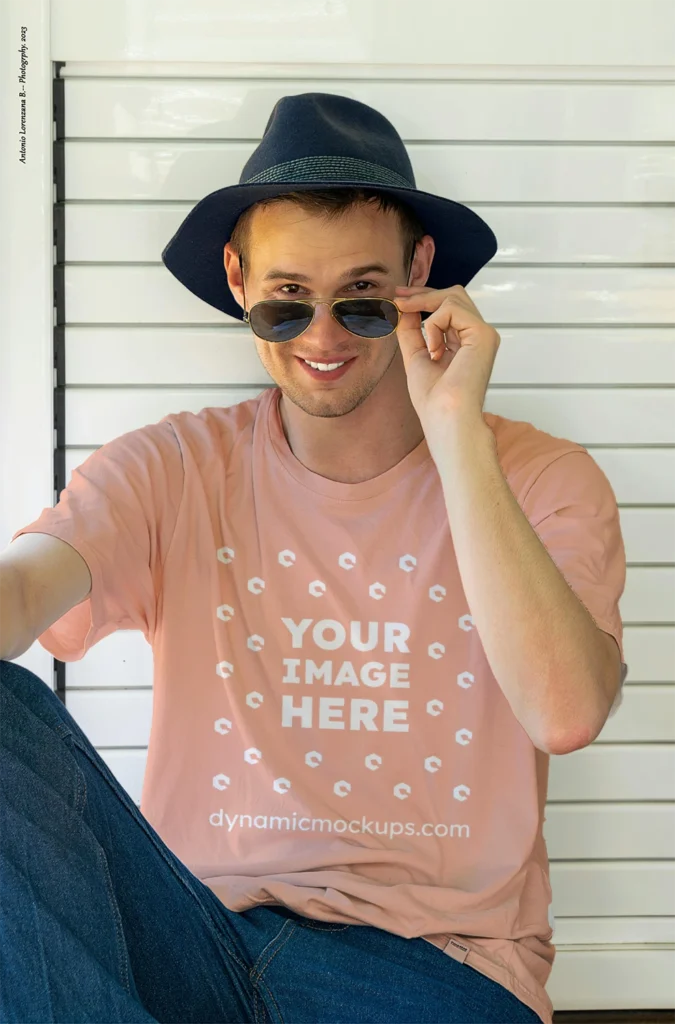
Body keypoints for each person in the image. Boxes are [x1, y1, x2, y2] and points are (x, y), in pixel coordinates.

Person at [0, 93, 627, 1024]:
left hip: (431, 964)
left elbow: (565, 712)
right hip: (198, 938)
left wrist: (453, 429)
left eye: (363, 303)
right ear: (238, 279)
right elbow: (26, 591)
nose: (325, 339)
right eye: (287, 304)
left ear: (419, 274)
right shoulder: (176, 465)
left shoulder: (541, 478)